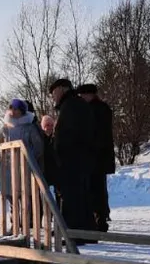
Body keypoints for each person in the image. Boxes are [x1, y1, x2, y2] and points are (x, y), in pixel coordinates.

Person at [48, 78, 96, 233]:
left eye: (54, 92)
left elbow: (68, 136)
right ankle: (86, 231)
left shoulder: (70, 106)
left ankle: (76, 232)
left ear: (63, 89)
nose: (53, 96)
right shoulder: (75, 105)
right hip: (79, 160)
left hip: (72, 161)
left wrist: (60, 154)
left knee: (73, 199)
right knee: (82, 198)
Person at [0, 100, 45, 233]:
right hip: (8, 168)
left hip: (25, 168)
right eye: (12, 108)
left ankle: (25, 224)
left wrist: (26, 156)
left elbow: (38, 147)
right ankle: (14, 223)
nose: (14, 111)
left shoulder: (30, 127)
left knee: (25, 196)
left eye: (17, 109)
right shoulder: (5, 128)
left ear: (23, 110)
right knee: (11, 197)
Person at [77, 83, 115, 232]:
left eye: (82, 95)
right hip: (98, 157)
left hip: (97, 157)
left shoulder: (97, 109)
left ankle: (100, 219)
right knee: (96, 189)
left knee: (96, 190)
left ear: (89, 94)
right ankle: (99, 218)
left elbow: (98, 135)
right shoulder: (99, 108)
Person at [40, 114, 59, 200]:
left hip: (55, 169)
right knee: (44, 193)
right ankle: (47, 211)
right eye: (47, 125)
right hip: (44, 169)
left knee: (58, 191)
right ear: (43, 126)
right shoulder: (40, 138)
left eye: (51, 125)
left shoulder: (56, 137)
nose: (49, 127)